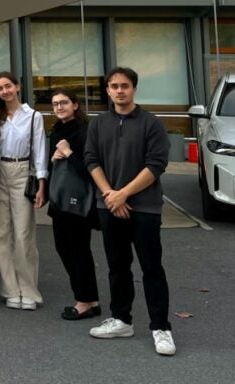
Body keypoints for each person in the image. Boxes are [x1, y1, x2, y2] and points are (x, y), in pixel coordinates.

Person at [84, 67, 175, 356]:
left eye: (124, 85)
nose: (119, 90)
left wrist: (124, 194)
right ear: (108, 90)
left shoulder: (151, 123)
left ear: (134, 88)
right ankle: (122, 319)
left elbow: (156, 164)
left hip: (144, 207)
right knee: (117, 266)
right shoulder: (98, 124)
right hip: (108, 205)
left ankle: (161, 327)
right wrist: (111, 195)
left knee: (151, 268)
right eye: (114, 86)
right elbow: (91, 159)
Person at [0, 71, 48, 310]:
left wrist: (42, 184)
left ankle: (29, 290)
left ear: (17, 87)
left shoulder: (33, 116)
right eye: (0, 88)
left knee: (24, 233)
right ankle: (10, 288)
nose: (5, 91)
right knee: (0, 232)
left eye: (8, 86)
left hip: (23, 170)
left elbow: (40, 151)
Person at [48, 89, 101, 321]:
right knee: (63, 247)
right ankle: (89, 298)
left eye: (64, 102)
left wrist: (69, 153)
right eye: (55, 104)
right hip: (60, 198)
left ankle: (84, 301)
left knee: (79, 250)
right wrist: (54, 158)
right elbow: (55, 167)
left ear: (75, 105)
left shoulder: (86, 131)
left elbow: (91, 170)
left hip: (79, 201)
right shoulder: (57, 130)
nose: (59, 107)